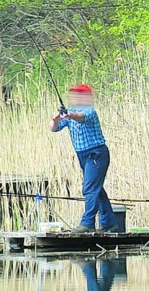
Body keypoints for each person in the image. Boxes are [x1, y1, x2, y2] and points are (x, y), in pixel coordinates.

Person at [50, 84, 119, 233]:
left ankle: (87, 224)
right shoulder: (70, 113)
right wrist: (56, 119)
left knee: (89, 188)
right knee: (96, 189)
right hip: (83, 156)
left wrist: (69, 115)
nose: (76, 98)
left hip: (96, 154)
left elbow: (81, 118)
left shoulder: (89, 111)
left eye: (79, 95)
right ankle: (109, 222)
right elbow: (53, 128)